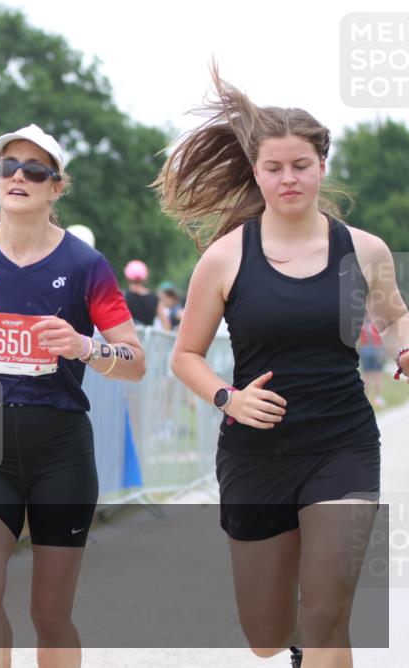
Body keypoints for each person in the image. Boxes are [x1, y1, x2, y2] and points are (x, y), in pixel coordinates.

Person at [159, 67, 409, 668]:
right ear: (256, 172)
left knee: (327, 616)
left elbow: (396, 316)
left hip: (341, 442)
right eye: (274, 167)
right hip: (257, 452)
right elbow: (184, 356)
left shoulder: (364, 251)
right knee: (267, 636)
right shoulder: (225, 258)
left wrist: (403, 347)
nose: (289, 177)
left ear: (322, 165)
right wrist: (230, 399)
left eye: (301, 164)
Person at [0, 124, 146, 667]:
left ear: (57, 188)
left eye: (35, 170)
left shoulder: (84, 265)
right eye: (9, 167)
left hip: (61, 451)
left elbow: (135, 361)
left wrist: (82, 346)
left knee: (50, 617)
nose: (19, 177)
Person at [122, 259, 162, 327]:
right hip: (149, 337)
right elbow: (166, 325)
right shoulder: (154, 299)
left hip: (129, 336)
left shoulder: (123, 298)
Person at [358, 316, 386, 407]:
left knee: (366, 375)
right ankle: (378, 398)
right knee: (378, 375)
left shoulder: (361, 321)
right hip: (377, 348)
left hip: (366, 348)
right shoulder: (378, 321)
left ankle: (366, 399)